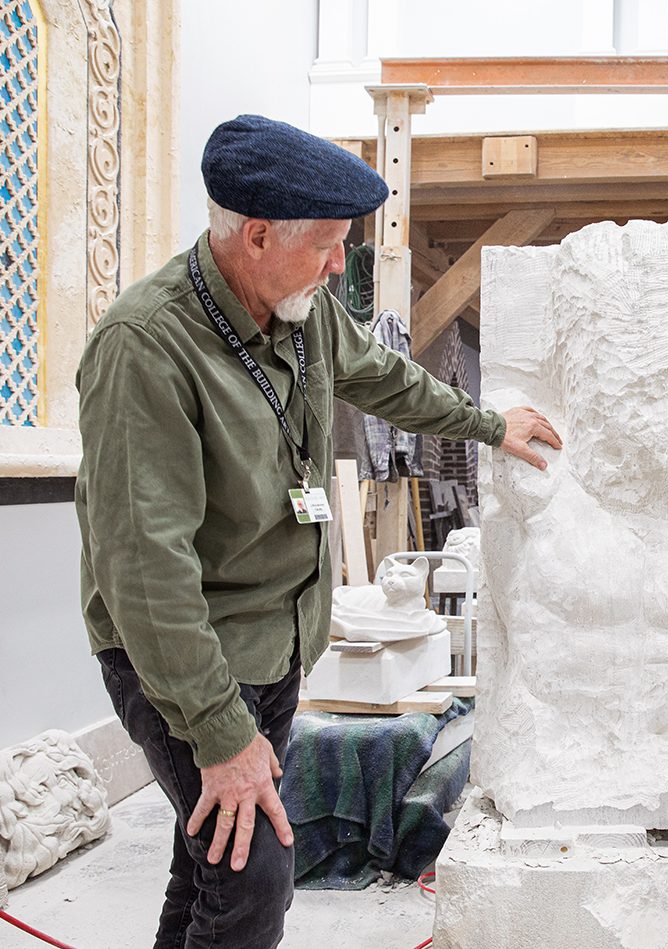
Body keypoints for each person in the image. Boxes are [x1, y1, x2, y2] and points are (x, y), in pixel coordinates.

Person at [75, 114, 560, 948]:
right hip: (186, 661)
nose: (342, 263)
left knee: (209, 870)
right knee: (257, 878)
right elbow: (147, 573)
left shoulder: (301, 311)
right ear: (257, 235)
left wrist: (487, 423)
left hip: (274, 646)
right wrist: (222, 736)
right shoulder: (146, 347)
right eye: (330, 243)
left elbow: (384, 377)